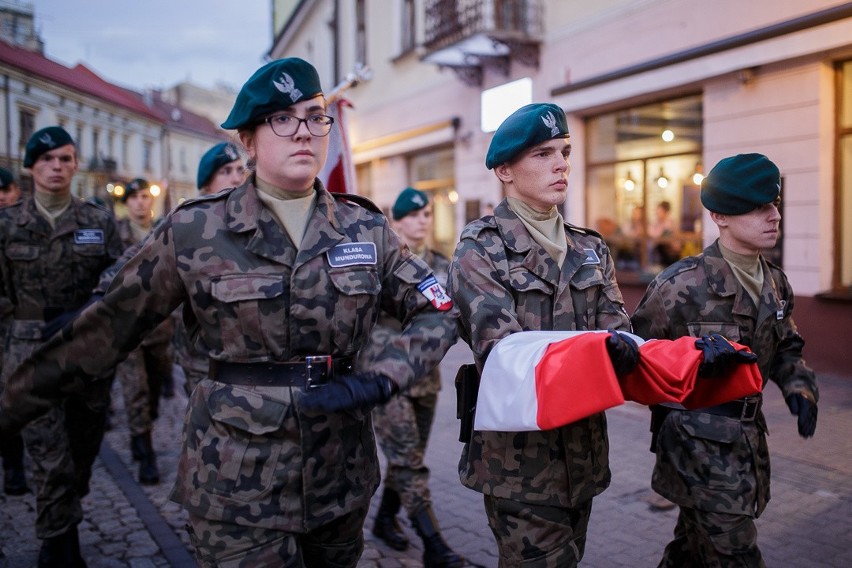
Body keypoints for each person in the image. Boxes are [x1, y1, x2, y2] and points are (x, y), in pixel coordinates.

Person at [0, 57, 457, 567]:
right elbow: (107, 329)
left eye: (315, 115)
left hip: (340, 476)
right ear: (248, 139)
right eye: (282, 119)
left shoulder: (364, 229)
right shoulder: (196, 231)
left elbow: (438, 307)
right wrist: (10, 407)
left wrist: (385, 375)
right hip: (238, 483)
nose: (304, 131)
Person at [447, 103, 638, 566]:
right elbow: (504, 353)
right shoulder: (481, 248)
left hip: (583, 452)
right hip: (518, 463)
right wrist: (599, 354)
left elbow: (619, 330)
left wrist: (637, 352)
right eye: (542, 154)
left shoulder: (590, 247)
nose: (561, 164)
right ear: (505, 170)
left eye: (565, 152)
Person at [631, 153, 819, 567]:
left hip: (749, 442)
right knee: (735, 554)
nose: (773, 216)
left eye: (774, 204)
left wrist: (799, 387)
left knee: (690, 551)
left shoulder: (776, 281)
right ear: (720, 215)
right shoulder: (680, 285)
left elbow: (787, 347)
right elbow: (636, 359)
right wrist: (689, 368)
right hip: (697, 448)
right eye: (757, 207)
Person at [0, 126, 123, 566]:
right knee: (48, 455)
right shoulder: (7, 224)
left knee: (83, 450)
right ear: (30, 165)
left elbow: (119, 273)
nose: (57, 167)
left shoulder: (97, 220)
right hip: (30, 354)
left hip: (85, 351)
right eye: (48, 159)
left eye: (66, 159)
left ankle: (64, 515)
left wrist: (94, 303)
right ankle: (59, 543)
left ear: (75, 165)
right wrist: (20, 320)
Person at [368, 187, 463, 567]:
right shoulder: (379, 262)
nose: (424, 220)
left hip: (426, 378)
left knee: (409, 455)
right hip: (385, 375)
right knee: (407, 457)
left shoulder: (441, 264)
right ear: (398, 221)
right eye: (415, 214)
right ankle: (434, 543)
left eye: (427, 214)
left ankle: (383, 518)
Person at [113, 177, 175, 485]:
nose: (140, 202)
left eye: (144, 196)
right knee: (134, 387)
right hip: (126, 326)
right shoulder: (117, 234)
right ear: (126, 204)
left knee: (153, 386)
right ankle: (145, 448)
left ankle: (144, 426)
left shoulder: (164, 231)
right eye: (134, 198)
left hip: (158, 325)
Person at [172, 142, 246, 397]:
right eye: (226, 172)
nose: (237, 178)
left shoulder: (257, 222)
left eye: (240, 170)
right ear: (206, 184)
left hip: (251, 362)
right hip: (203, 359)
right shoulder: (187, 225)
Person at [0, 165, 26, 496]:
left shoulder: (23, 228)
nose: (1, 198)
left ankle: (14, 462)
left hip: (20, 327)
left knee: (13, 396)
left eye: (6, 191)